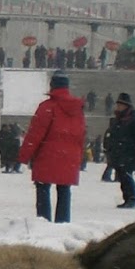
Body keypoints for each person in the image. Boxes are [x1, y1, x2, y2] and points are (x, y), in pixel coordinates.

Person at [18, 71, 85, 223]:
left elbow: (36, 133)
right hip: (69, 156)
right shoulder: (77, 109)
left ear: (52, 85)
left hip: (47, 155)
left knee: (42, 188)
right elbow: (81, 134)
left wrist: (24, 155)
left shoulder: (47, 107)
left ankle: (43, 223)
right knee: (64, 190)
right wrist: (79, 156)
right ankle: (62, 223)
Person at [104, 92, 135, 209]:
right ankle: (127, 198)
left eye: (120, 105)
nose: (118, 107)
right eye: (117, 105)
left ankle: (133, 197)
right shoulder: (119, 119)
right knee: (122, 176)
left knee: (126, 175)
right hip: (120, 153)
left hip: (130, 153)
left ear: (126, 106)